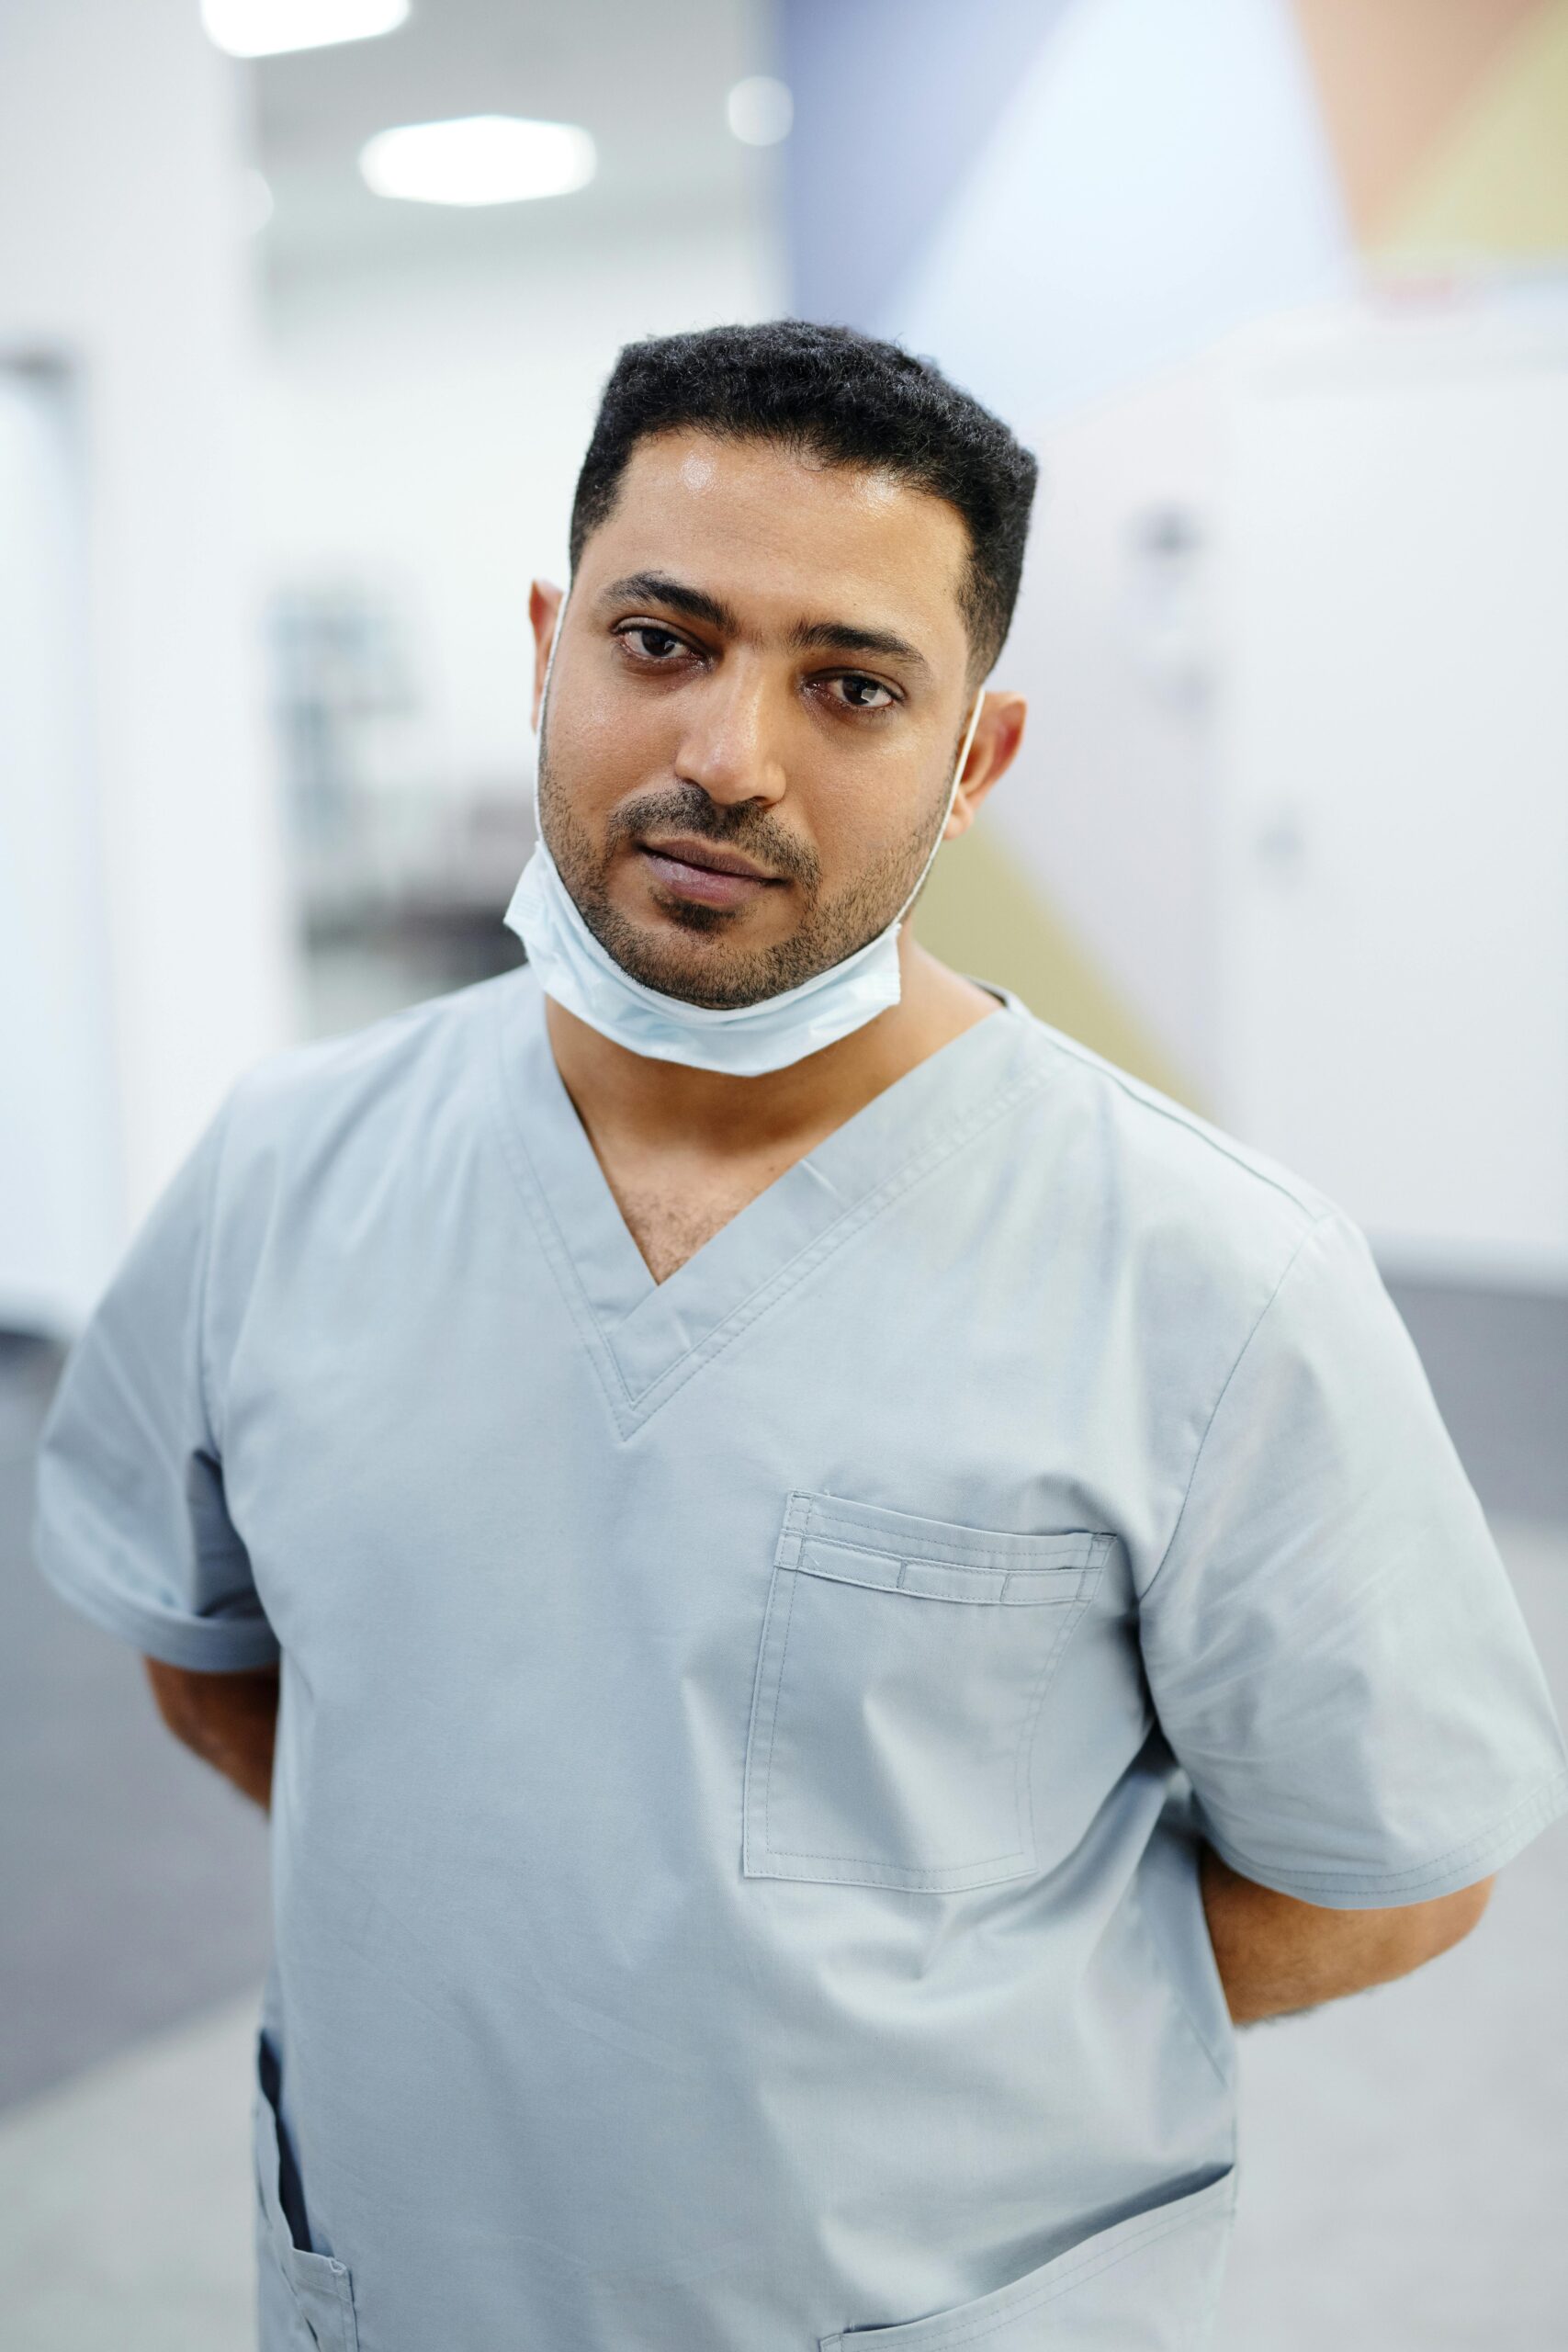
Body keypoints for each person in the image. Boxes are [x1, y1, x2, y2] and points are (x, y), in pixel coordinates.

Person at [34, 322, 1567, 2352]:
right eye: (659, 639)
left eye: (848, 683)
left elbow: (1382, 1875)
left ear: (972, 761)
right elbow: (205, 1654)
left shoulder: (1209, 1276)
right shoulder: (281, 1172)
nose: (727, 755)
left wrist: (911, 2040)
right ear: (543, 649)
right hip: (397, 2279)